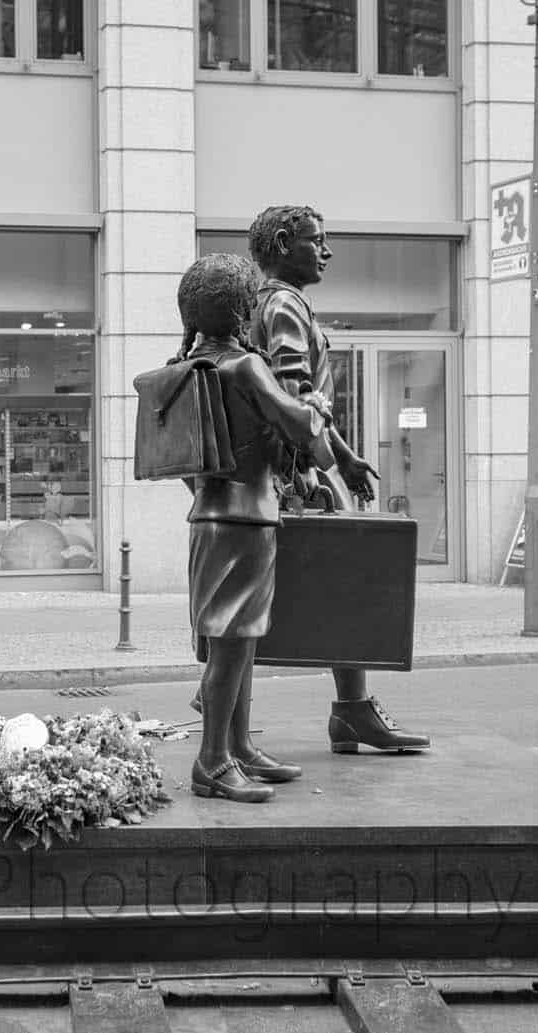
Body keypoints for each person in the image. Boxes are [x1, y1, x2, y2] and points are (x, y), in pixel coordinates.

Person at [247, 204, 431, 755]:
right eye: (316, 241)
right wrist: (332, 463)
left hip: (295, 471)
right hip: (290, 478)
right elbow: (295, 395)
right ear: (284, 242)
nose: (326, 251)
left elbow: (300, 401)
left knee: (324, 588)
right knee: (337, 583)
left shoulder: (277, 302)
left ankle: (350, 710)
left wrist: (340, 458)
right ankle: (232, 716)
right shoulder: (283, 304)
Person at [176, 254, 324, 803]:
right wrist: (315, 403)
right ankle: (212, 761)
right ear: (242, 308)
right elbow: (298, 424)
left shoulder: (193, 366)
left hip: (210, 519)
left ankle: (237, 747)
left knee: (235, 643)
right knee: (233, 647)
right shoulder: (244, 366)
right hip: (247, 520)